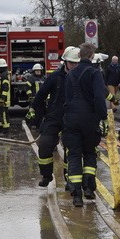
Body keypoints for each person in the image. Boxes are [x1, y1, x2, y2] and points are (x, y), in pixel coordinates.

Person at [62, 42, 109, 207]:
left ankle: (76, 196)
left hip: (71, 119)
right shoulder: (95, 74)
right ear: (91, 56)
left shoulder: (69, 75)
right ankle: (88, 188)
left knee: (74, 154)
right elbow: (99, 98)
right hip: (90, 120)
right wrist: (103, 118)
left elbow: (66, 100)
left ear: (80, 55)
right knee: (89, 152)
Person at [30, 46, 78, 187]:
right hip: (54, 115)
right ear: (65, 62)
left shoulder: (81, 77)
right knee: (44, 145)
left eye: (76, 63)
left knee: (71, 149)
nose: (74, 66)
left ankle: (69, 179)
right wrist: (33, 109)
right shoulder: (55, 77)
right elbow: (41, 95)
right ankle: (46, 175)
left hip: (72, 117)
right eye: (71, 63)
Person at [0, 58, 12, 133]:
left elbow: (5, 88)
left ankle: (5, 130)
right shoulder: (4, 74)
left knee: (4, 115)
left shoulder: (4, 75)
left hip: (4, 100)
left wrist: (2, 99)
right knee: (0, 114)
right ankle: (1, 128)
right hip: (1, 99)